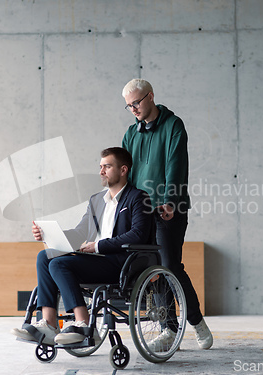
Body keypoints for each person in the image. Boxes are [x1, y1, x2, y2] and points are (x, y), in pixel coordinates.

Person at [11, 147, 154, 345]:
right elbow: (80, 234)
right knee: (45, 257)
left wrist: (98, 246)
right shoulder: (97, 200)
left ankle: (84, 324)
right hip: (97, 261)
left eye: (107, 166)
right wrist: (49, 235)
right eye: (101, 166)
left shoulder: (138, 198)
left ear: (123, 170)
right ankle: (50, 325)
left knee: (58, 264)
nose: (101, 171)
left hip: (121, 263)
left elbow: (138, 235)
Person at [121, 78, 213, 350]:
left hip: (169, 209)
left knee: (170, 265)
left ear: (150, 96)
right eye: (128, 106)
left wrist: (170, 202)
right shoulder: (130, 133)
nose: (133, 109)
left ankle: (196, 322)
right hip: (142, 211)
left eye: (136, 102)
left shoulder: (174, 126)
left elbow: (176, 166)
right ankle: (169, 329)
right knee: (150, 270)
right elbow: (127, 173)